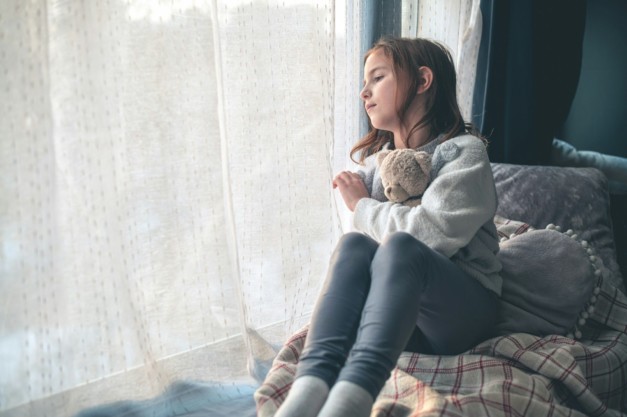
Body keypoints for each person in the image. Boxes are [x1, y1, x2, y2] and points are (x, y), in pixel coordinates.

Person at [275, 36, 502, 417]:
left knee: (399, 247)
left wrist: (361, 206)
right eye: (365, 83)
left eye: (377, 77)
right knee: (352, 248)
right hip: (403, 321)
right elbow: (367, 264)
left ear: (422, 80)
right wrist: (362, 208)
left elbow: (429, 234)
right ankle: (307, 391)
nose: (364, 92)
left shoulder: (464, 154)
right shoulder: (377, 169)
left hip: (462, 313)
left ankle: (350, 401)